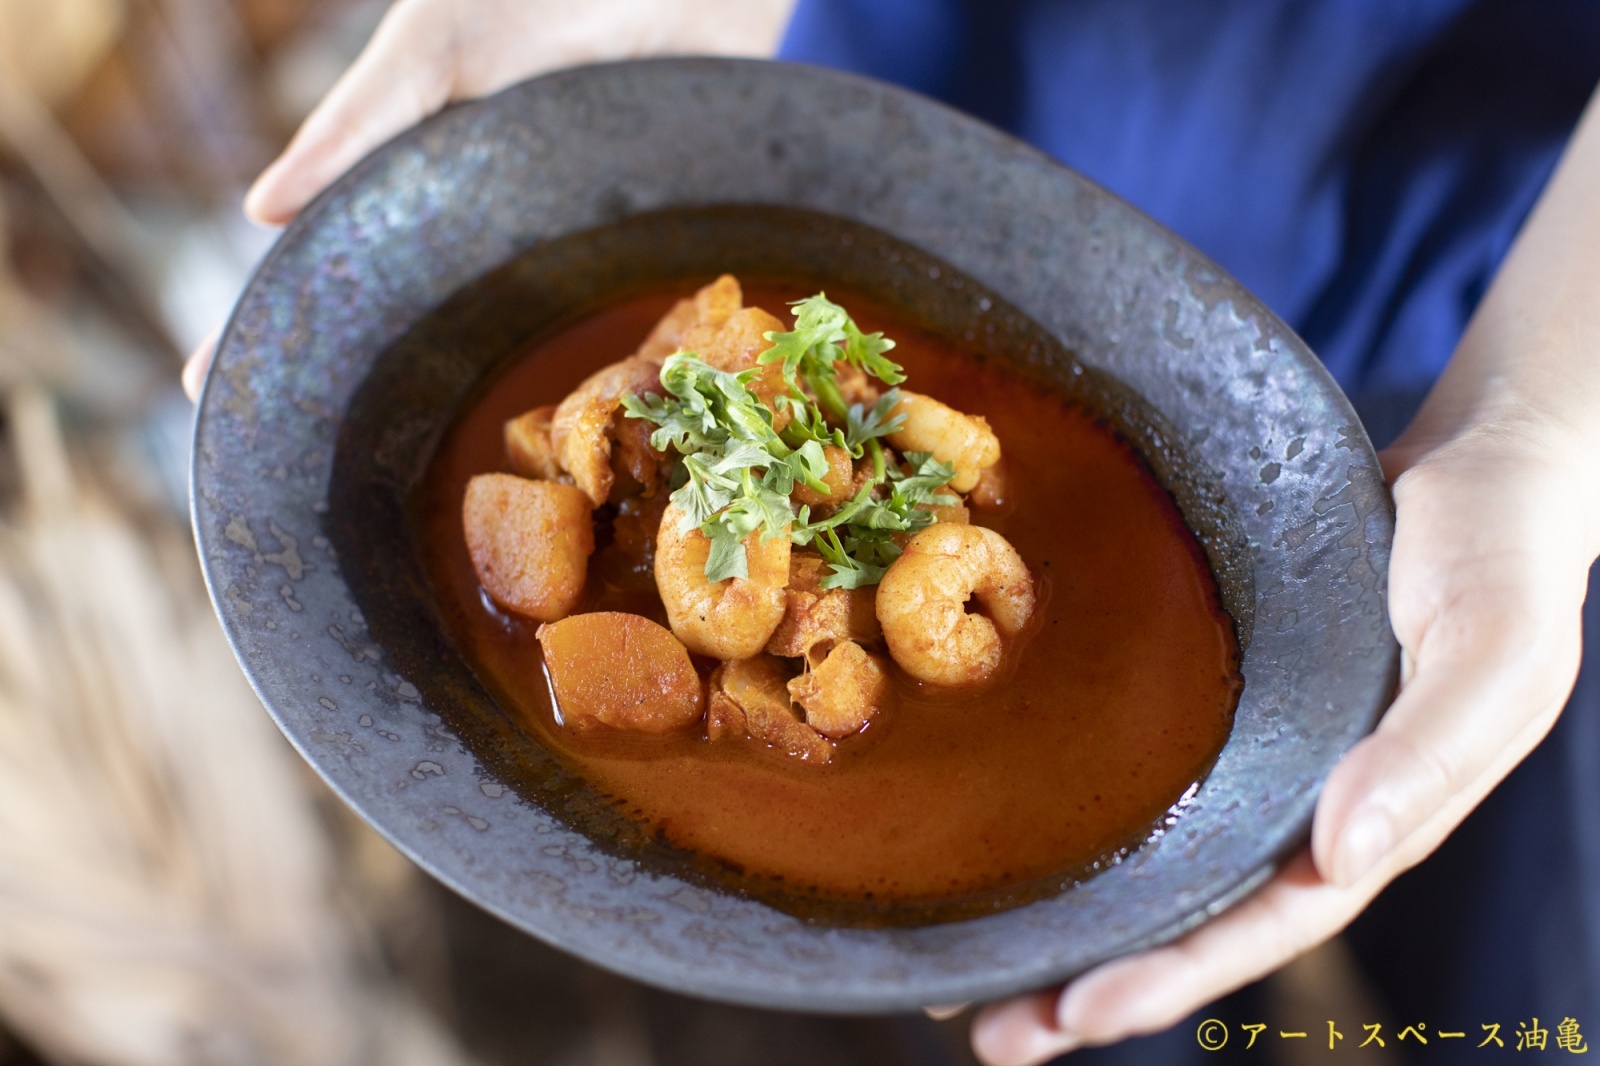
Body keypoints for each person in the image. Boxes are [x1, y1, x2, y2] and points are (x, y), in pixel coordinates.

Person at [185, 2, 1600, 1062]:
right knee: (1095, 1012)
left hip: (1483, 313)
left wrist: (1538, 426)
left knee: (1517, 979)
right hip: (892, 133)